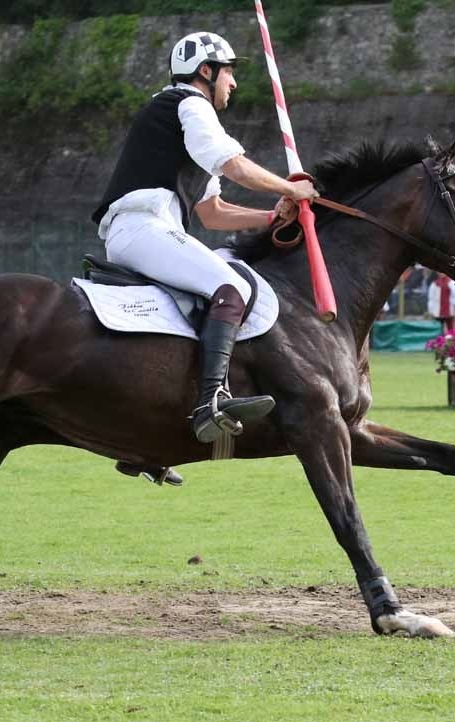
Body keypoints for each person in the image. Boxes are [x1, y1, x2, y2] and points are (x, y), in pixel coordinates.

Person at [91, 31, 315, 444]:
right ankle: (211, 401)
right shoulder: (192, 105)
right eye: (228, 71)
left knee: (200, 304)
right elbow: (234, 166)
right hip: (144, 228)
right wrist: (290, 189)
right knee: (230, 288)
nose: (233, 82)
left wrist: (271, 217)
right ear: (205, 72)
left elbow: (213, 214)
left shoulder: (183, 118)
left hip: (147, 231)